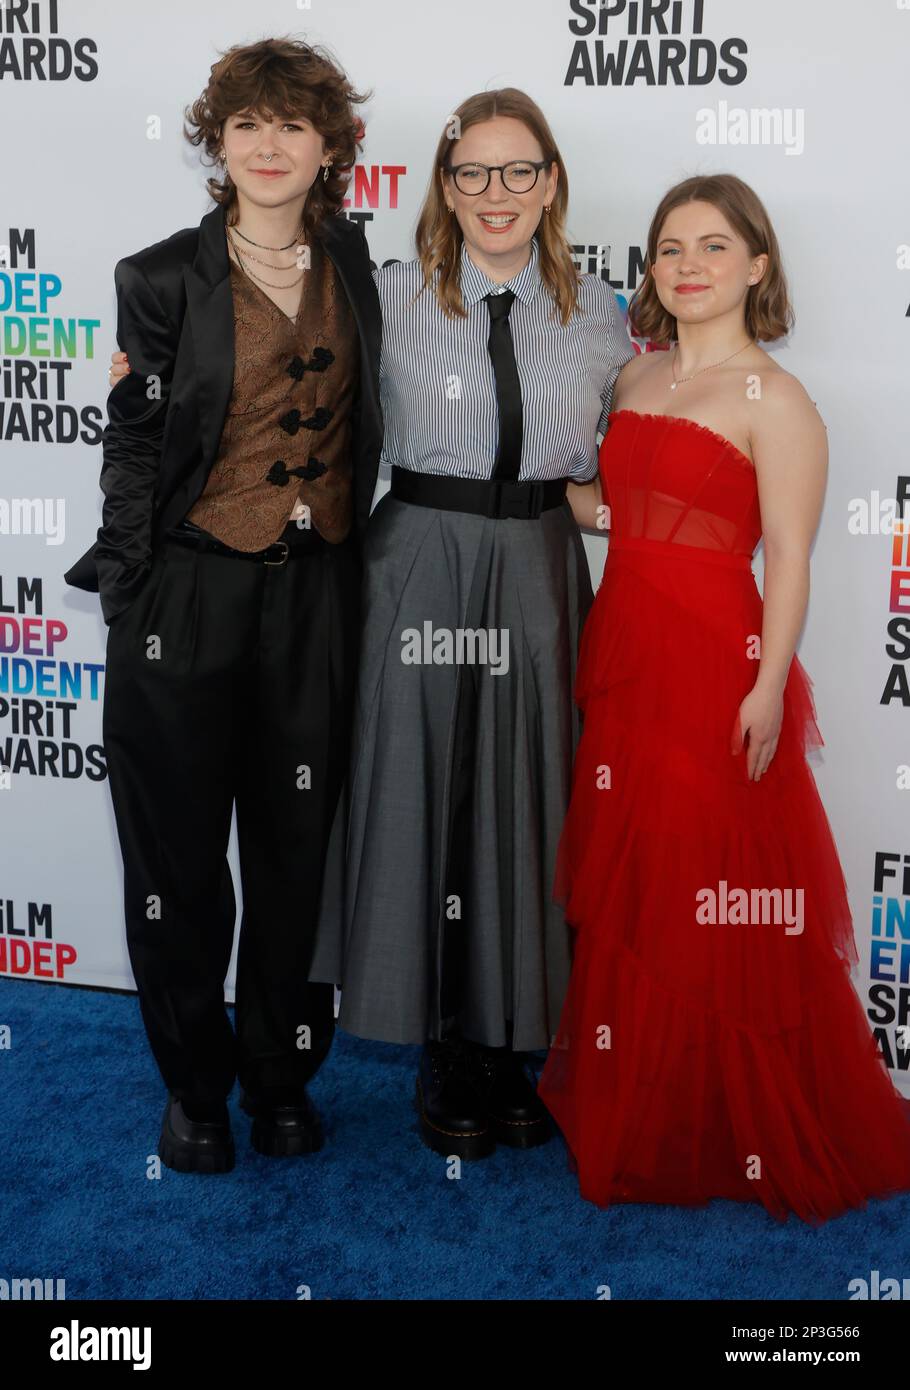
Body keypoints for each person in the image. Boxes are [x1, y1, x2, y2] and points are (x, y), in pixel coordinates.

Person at [537, 173, 910, 1223]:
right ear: (650, 272)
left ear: (756, 266)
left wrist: (765, 688)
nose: (688, 265)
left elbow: (787, 558)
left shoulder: (778, 400)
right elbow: (613, 509)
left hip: (717, 662)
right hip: (626, 651)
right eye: (669, 248)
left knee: (719, 881)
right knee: (645, 876)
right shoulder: (635, 378)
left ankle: (735, 1118)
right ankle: (655, 1102)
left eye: (712, 246)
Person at [65, 37, 382, 1173]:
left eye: (292, 124)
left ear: (332, 146)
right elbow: (135, 446)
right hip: (186, 596)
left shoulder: (357, 265)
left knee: (300, 857)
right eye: (246, 123)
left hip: (317, 604)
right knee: (179, 867)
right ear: (219, 141)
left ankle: (281, 1073)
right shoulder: (158, 278)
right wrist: (136, 586)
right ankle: (195, 1088)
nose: (267, 144)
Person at [306, 88, 635, 1161]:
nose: (498, 195)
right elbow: (296, 397)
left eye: (519, 171)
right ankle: (442, 1042)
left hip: (540, 566)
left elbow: (629, 454)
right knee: (419, 791)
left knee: (528, 799)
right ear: (445, 187)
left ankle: (508, 1045)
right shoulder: (388, 297)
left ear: (551, 182)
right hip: (419, 562)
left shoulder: (600, 312)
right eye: (473, 173)